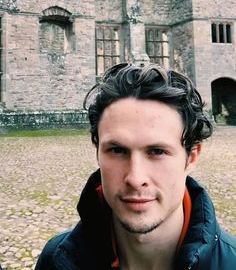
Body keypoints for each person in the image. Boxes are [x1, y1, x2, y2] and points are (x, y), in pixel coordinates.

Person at [35, 63, 236, 270]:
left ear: (191, 157)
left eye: (157, 151)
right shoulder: (55, 260)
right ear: (97, 152)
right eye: (117, 150)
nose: (135, 177)